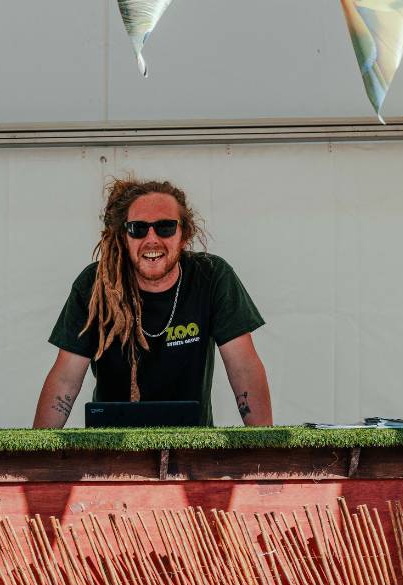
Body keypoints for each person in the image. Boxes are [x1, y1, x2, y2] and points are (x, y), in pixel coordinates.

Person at [33, 178, 272, 428]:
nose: (152, 239)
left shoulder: (212, 276)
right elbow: (65, 378)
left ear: (184, 235)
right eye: (138, 228)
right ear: (124, 237)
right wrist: (38, 448)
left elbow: (243, 367)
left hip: (192, 446)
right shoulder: (95, 284)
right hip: (111, 444)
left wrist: (266, 446)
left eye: (165, 227)